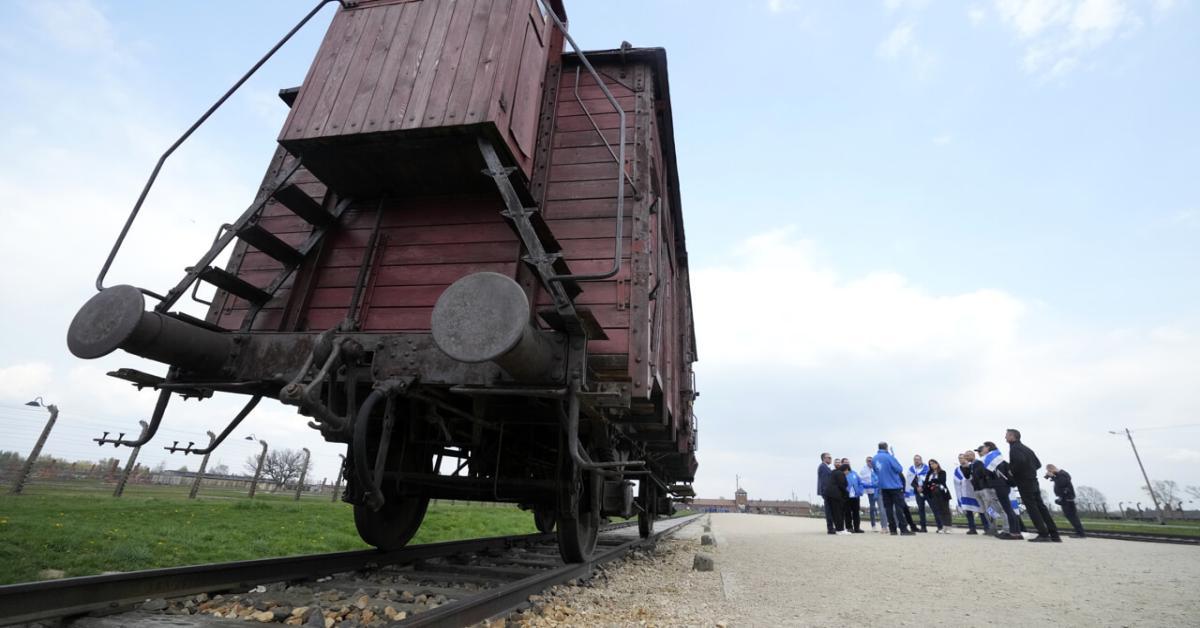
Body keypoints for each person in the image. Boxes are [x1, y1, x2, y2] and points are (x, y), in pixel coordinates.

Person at [1006, 429, 1061, 543]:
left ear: (1012, 436)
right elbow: (1038, 464)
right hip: (1033, 480)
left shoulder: (1014, 448)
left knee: (1032, 508)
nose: (1005, 438)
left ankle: (1043, 534)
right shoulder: (1027, 449)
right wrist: (1030, 471)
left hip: (1024, 481)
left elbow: (1019, 462)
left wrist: (1012, 471)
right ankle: (1054, 534)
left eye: (1007, 435)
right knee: (1041, 507)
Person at [979, 442, 1023, 540]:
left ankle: (1011, 533)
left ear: (989, 447)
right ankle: (1016, 532)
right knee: (1009, 509)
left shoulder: (992, 459)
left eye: (985, 447)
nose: (983, 449)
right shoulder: (999, 459)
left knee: (1007, 509)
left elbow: (986, 472)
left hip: (1000, 485)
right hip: (1004, 485)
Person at [873, 442, 915, 535]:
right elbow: (899, 469)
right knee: (899, 507)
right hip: (894, 486)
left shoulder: (874, 458)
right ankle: (903, 529)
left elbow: (876, 471)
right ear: (886, 448)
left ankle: (892, 529)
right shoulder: (889, 457)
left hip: (883, 486)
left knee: (888, 508)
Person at [1044, 466, 1084, 539]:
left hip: (1067, 498)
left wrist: (1053, 476)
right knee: (1070, 516)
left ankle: (1080, 533)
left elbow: (1061, 484)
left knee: (1072, 516)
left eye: (1049, 471)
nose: (1049, 472)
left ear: (1052, 469)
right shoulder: (1060, 475)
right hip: (1065, 498)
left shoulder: (1062, 474)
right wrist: (1053, 477)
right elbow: (1059, 482)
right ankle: (1079, 532)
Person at [956, 452, 988, 535]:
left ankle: (987, 527)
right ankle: (972, 528)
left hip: (975, 490)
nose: (961, 460)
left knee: (981, 510)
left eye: (962, 458)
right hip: (965, 493)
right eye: (959, 458)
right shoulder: (958, 469)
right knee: (968, 511)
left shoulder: (972, 465)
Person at [922, 459, 954, 533]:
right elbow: (926, 482)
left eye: (933, 463)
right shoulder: (929, 473)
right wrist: (929, 484)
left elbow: (942, 480)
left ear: (937, 464)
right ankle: (944, 527)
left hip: (942, 492)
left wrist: (932, 481)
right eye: (930, 464)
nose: (932, 465)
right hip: (933, 493)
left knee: (945, 509)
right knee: (939, 510)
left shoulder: (942, 472)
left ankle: (949, 526)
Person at [824, 459, 850, 535]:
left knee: (835, 513)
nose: (848, 472)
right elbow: (842, 485)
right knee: (838, 513)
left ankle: (840, 529)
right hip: (835, 496)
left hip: (830, 495)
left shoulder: (834, 472)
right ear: (845, 470)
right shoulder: (840, 474)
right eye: (848, 471)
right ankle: (840, 529)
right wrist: (847, 494)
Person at [907, 455, 931, 532]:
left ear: (921, 460)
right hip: (917, 491)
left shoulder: (927, 468)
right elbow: (910, 480)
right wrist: (917, 487)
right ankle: (923, 527)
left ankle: (940, 526)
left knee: (934, 508)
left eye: (918, 459)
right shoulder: (911, 469)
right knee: (921, 510)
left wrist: (922, 487)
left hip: (927, 491)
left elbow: (929, 479)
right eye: (915, 460)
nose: (916, 461)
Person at [861, 456, 883, 531]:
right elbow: (863, 480)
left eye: (871, 460)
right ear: (866, 462)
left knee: (882, 507)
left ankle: (884, 523)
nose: (870, 462)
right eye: (868, 461)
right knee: (872, 507)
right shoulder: (863, 470)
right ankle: (873, 525)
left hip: (879, 490)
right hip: (870, 491)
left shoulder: (877, 467)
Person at [843, 459, 865, 533]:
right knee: (847, 513)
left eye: (848, 463)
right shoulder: (841, 474)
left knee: (856, 512)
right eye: (845, 463)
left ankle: (857, 528)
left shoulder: (854, 473)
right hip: (846, 497)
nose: (847, 464)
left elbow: (860, 483)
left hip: (855, 496)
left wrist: (860, 491)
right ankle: (849, 527)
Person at [817, 452, 834, 534]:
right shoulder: (823, 467)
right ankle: (830, 528)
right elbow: (824, 481)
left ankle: (831, 528)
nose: (831, 459)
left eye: (830, 457)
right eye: (829, 457)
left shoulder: (825, 467)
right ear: (824, 458)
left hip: (827, 491)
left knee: (830, 510)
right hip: (827, 492)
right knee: (829, 510)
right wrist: (826, 492)